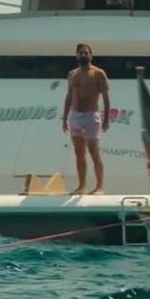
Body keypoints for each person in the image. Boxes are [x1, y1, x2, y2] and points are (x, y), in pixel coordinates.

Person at [62, 43, 111, 195]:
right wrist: (64, 118)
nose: (83, 55)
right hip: (75, 115)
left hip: (91, 115)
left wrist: (106, 118)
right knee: (79, 153)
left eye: (86, 53)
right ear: (76, 55)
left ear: (91, 55)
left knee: (94, 152)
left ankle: (100, 187)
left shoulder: (98, 73)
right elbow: (69, 97)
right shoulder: (72, 74)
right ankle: (82, 186)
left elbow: (106, 98)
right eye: (81, 53)